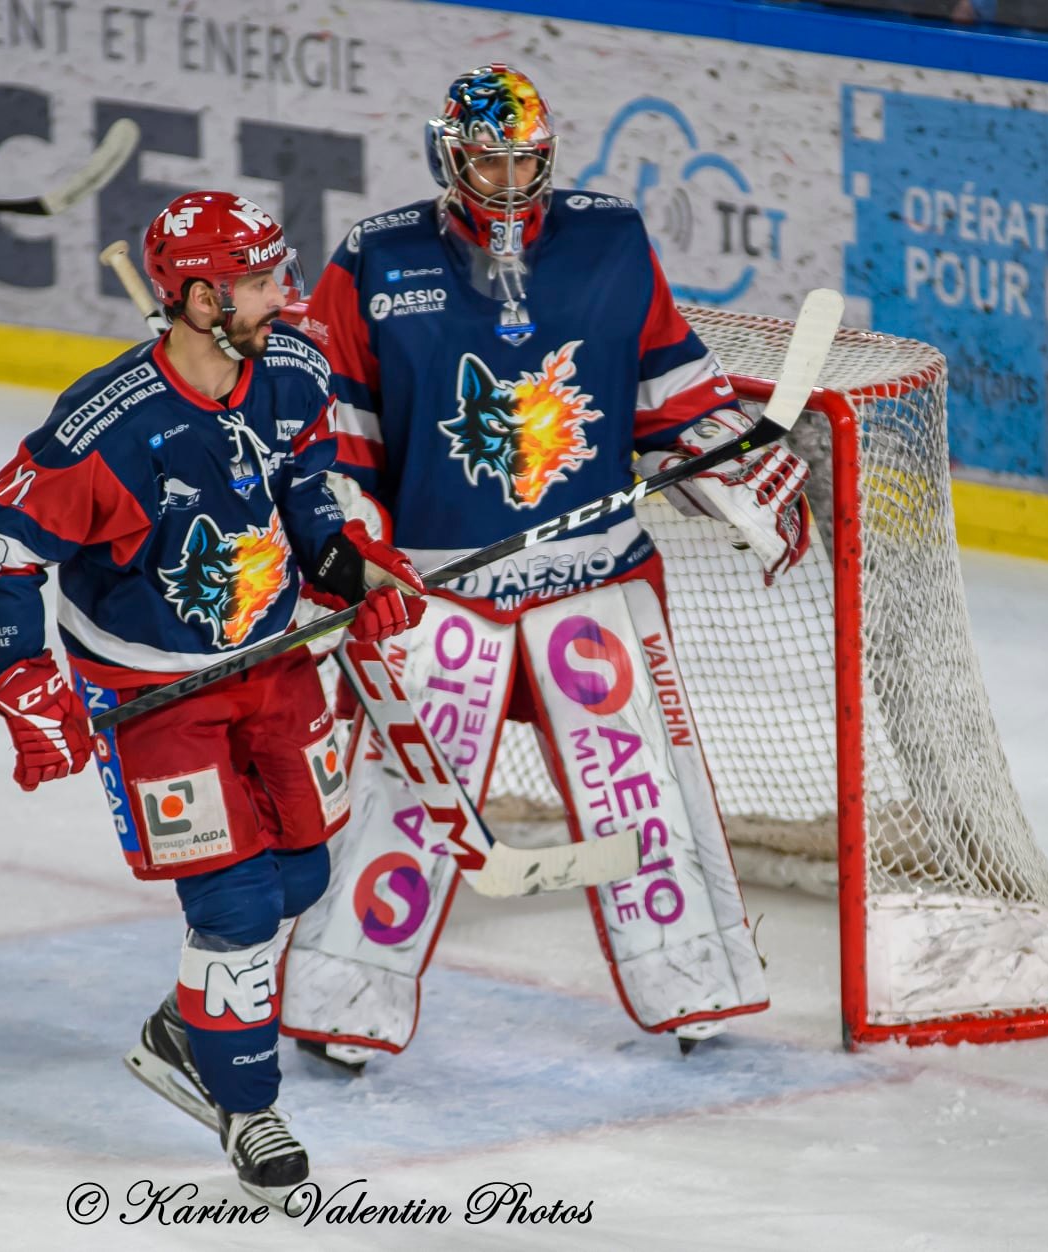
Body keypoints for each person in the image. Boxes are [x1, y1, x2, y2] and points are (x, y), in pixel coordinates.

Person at [283, 65, 809, 1070]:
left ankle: (693, 977)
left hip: (593, 575)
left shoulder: (610, 239)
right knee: (407, 791)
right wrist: (350, 547)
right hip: (435, 591)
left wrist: (737, 468)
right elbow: (333, 430)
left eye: (527, 161)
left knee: (641, 784)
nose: (510, 181)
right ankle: (346, 997)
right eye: (489, 160)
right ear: (449, 156)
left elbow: (671, 386)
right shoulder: (375, 259)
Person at [0, 191, 425, 1208]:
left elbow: (303, 488)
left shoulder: (290, 367)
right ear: (198, 295)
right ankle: (244, 1100)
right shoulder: (109, 431)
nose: (279, 296)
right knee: (236, 900)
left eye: (274, 272)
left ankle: (187, 1023)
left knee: (301, 870)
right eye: (256, 281)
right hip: (148, 686)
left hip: (271, 656)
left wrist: (350, 570)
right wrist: (25, 687)